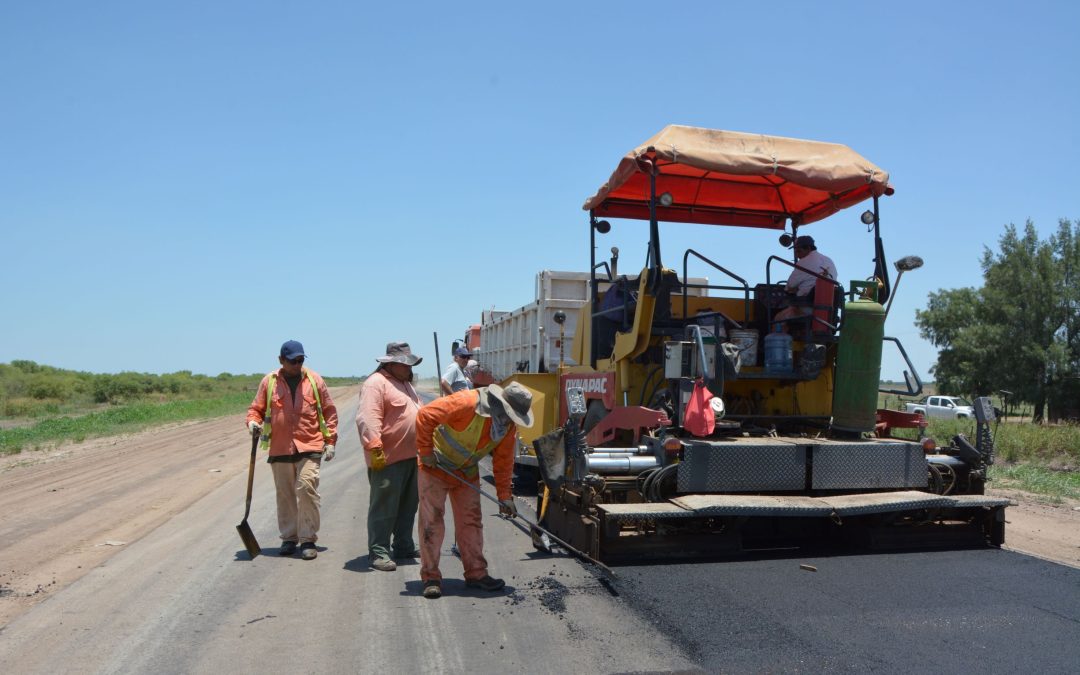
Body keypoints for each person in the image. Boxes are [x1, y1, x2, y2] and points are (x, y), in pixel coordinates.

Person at [414, 382, 534, 599]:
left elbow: (503, 462)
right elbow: (425, 415)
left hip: (466, 472)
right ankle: (430, 577)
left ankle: (476, 574)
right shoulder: (466, 402)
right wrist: (425, 451)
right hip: (436, 467)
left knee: (471, 521)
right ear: (500, 404)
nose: (510, 420)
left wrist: (505, 497)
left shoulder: (506, 428)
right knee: (432, 521)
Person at [246, 340, 338, 560]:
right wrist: (252, 423)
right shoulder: (269, 382)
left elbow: (329, 411)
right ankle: (289, 538)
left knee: (306, 489)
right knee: (285, 495)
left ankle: (308, 539)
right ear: (281, 360)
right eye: (292, 361)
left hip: (310, 444)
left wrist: (331, 441)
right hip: (280, 448)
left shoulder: (314, 380)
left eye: (301, 360)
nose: (297, 364)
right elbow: (255, 409)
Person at [355, 342, 424, 572]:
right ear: (391, 363)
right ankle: (378, 551)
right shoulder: (376, 384)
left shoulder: (405, 384)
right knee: (384, 507)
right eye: (406, 364)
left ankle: (403, 545)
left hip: (412, 457)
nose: (410, 369)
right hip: (387, 458)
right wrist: (375, 447)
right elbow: (368, 417)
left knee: (408, 505)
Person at [772, 235, 838, 327]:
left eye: (798, 251)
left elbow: (789, 287)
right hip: (829, 312)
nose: (797, 255)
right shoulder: (828, 260)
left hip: (807, 308)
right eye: (795, 251)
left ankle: (780, 340)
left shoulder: (804, 262)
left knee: (778, 318)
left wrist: (795, 289)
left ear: (808, 248)